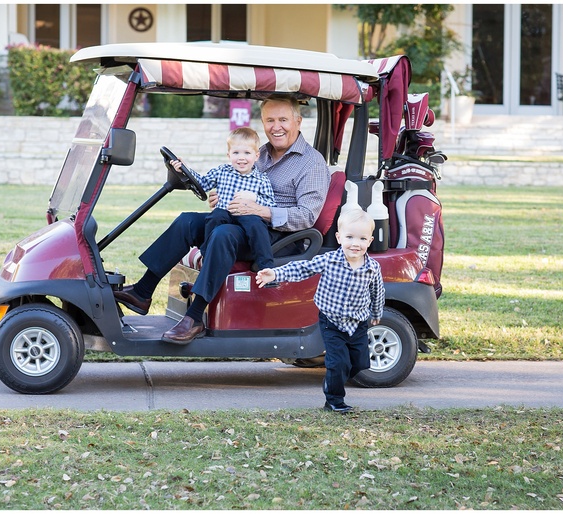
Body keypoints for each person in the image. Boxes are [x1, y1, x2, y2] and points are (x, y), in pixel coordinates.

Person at [114, 96, 330, 345]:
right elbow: (235, 181)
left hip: (278, 236)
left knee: (222, 234)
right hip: (241, 221)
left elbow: (307, 216)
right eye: (270, 120)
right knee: (187, 222)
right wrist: (221, 199)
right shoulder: (258, 153)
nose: (276, 126)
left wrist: (259, 210)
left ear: (298, 121)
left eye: (283, 119)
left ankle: (194, 316)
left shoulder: (311, 163)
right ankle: (143, 291)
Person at [256, 208, 385, 413]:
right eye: (349, 237)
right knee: (337, 362)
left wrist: (377, 313)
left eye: (361, 238)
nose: (355, 243)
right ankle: (334, 400)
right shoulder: (329, 260)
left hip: (358, 322)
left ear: (369, 241)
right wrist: (275, 274)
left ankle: (334, 381)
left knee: (359, 363)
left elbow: (378, 291)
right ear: (339, 237)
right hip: (331, 321)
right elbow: (302, 268)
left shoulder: (372, 268)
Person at [171, 127, 276, 271]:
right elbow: (202, 183)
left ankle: (266, 266)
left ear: (256, 156)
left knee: (256, 224)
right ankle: (208, 254)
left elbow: (271, 204)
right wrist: (185, 169)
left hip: (247, 216)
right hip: (225, 214)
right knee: (216, 215)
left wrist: (254, 198)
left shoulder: (262, 179)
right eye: (236, 153)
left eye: (247, 153)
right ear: (229, 155)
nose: (241, 158)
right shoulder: (222, 172)